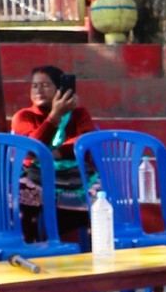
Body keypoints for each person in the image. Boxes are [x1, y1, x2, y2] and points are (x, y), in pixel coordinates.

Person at [11, 64, 101, 236]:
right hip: (36, 175)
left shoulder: (79, 113)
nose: (39, 91)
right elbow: (32, 148)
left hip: (75, 174)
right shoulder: (24, 116)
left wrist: (56, 153)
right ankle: (32, 245)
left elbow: (85, 141)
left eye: (45, 85)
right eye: (34, 86)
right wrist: (54, 117)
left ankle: (94, 247)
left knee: (100, 195)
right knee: (24, 189)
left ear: (59, 89)